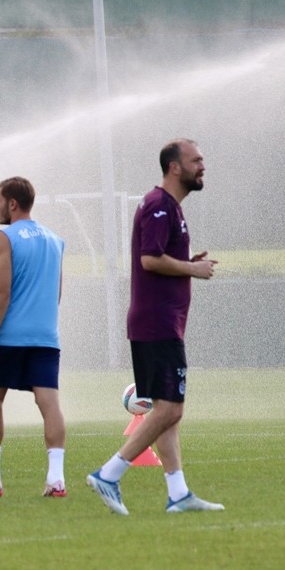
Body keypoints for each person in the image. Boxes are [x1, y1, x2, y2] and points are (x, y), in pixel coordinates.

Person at [86, 139, 225, 516]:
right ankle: (109, 474)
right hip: (156, 323)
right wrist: (192, 269)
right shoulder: (159, 205)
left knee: (168, 410)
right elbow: (149, 259)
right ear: (174, 167)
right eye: (196, 160)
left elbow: (161, 257)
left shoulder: (171, 208)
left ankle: (178, 493)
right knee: (170, 410)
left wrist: (184, 261)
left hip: (162, 322)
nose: (203, 166)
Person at [0, 177, 67, 499]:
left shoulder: (4, 237)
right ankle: (56, 479)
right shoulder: (55, 239)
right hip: (46, 336)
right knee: (49, 403)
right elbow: (57, 293)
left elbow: (2, 292)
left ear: (12, 203)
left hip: (10, 336)